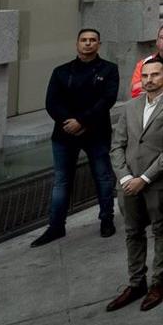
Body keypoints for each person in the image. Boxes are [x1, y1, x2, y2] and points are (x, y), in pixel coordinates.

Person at [106, 55, 163, 311]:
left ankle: (158, 283)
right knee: (132, 232)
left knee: (161, 229)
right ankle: (136, 282)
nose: (149, 80)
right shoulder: (130, 106)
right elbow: (117, 145)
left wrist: (145, 178)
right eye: (145, 76)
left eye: (154, 75)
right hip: (127, 184)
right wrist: (126, 177)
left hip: (156, 182)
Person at [34, 28, 120, 247]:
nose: (88, 44)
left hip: (96, 133)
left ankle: (106, 219)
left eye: (92, 40)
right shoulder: (61, 72)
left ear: (99, 44)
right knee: (61, 182)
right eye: (84, 40)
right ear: (77, 44)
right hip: (64, 135)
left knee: (103, 177)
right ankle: (56, 227)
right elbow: (52, 102)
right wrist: (69, 122)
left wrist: (82, 121)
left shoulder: (109, 70)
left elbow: (107, 100)